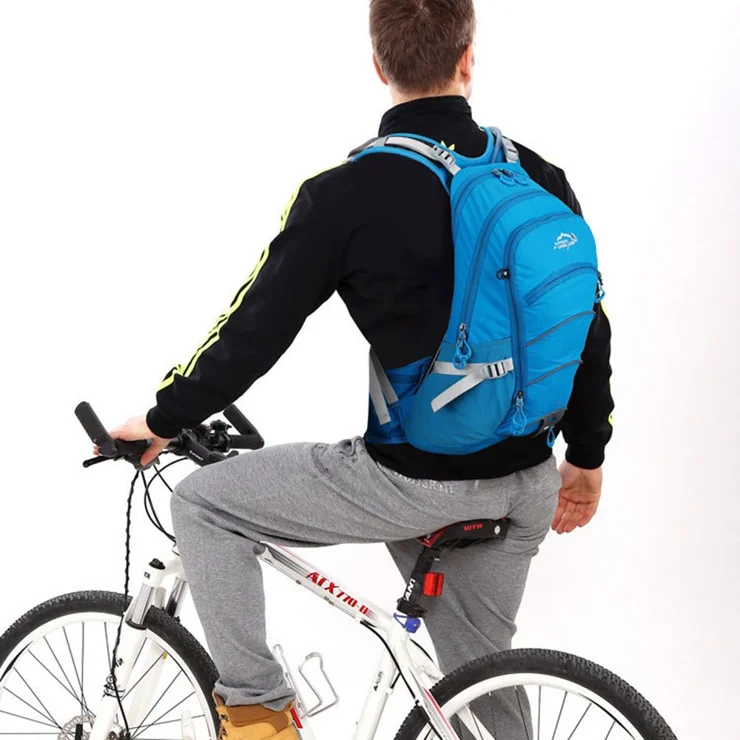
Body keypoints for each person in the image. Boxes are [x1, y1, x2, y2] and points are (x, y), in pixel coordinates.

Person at [109, 0, 613, 737]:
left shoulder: (344, 194)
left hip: (413, 483)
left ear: (378, 65)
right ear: (468, 57)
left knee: (203, 505)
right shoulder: (537, 174)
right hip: (528, 481)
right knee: (483, 680)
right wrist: (587, 457)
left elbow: (254, 330)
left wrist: (163, 418)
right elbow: (587, 323)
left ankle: (257, 716)